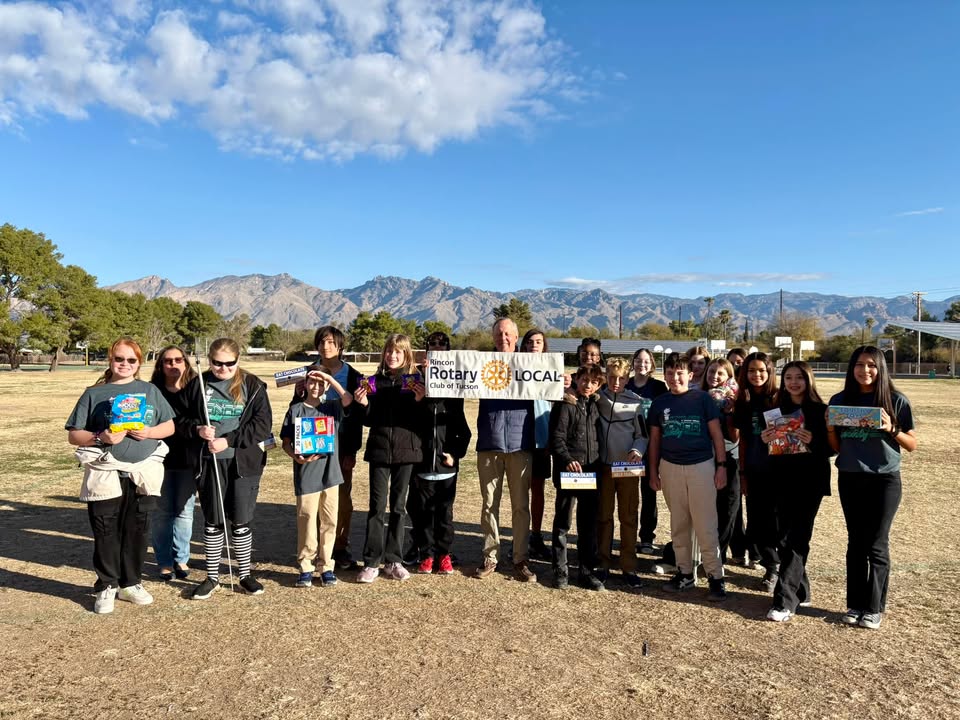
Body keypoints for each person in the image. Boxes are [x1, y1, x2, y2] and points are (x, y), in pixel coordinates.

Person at [66, 337, 175, 614]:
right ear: (110, 360)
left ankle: (131, 583)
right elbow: (73, 434)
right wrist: (99, 436)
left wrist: (149, 432)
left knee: (138, 530)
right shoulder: (94, 393)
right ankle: (106, 586)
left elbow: (169, 426)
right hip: (105, 469)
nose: (124, 364)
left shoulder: (149, 391)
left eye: (131, 360)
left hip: (143, 471)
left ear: (139, 363)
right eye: (119, 359)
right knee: (105, 530)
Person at [827, 346, 916, 629]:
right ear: (851, 368)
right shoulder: (840, 401)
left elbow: (912, 444)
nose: (864, 371)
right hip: (851, 477)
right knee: (855, 542)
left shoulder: (896, 400)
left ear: (880, 368)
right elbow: (837, 447)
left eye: (871, 365)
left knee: (877, 543)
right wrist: (830, 427)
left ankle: (874, 607)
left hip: (885, 480)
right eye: (859, 365)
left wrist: (892, 428)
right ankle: (855, 604)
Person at [184, 338, 273, 600]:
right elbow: (180, 419)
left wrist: (229, 440)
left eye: (229, 364)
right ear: (209, 360)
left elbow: (262, 424)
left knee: (241, 521)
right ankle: (212, 577)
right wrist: (197, 429)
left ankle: (244, 574)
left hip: (243, 462)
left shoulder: (253, 385)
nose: (222, 368)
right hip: (210, 462)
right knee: (213, 520)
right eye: (217, 363)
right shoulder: (198, 384)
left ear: (238, 361)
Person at [647, 352, 727, 601]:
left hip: (701, 466)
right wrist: (653, 471)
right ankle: (684, 572)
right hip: (670, 467)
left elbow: (716, 435)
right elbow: (655, 440)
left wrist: (721, 465)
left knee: (706, 525)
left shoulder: (702, 399)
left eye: (680, 373)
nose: (675, 378)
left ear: (690, 375)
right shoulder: (660, 403)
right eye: (670, 373)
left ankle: (716, 577)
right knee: (679, 524)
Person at [293, 326, 364, 571]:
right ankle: (310, 553)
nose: (326, 347)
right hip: (313, 448)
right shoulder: (307, 373)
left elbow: (356, 414)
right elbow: (297, 410)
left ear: (340, 347)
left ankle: (339, 549)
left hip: (341, 448)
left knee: (340, 501)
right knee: (310, 505)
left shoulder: (353, 376)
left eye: (332, 342)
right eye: (322, 342)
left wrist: (352, 451)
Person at [353, 334, 423, 584]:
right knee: (376, 506)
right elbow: (369, 420)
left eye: (398, 352)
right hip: (380, 451)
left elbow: (421, 420)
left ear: (407, 355)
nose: (393, 356)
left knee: (398, 507)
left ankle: (394, 560)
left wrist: (418, 401)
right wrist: (362, 404)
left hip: (407, 451)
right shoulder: (372, 382)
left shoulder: (416, 383)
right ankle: (371, 562)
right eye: (389, 351)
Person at [766, 361, 832, 622]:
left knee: (797, 537)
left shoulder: (821, 410)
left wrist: (814, 440)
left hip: (810, 481)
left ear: (809, 380)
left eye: (799, 378)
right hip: (781, 479)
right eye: (788, 377)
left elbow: (833, 448)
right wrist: (765, 439)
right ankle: (801, 589)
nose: (793, 382)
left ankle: (784, 602)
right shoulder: (776, 411)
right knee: (782, 538)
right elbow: (771, 447)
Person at [474, 318, 537, 582]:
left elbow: (551, 385)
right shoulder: (479, 364)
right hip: (489, 444)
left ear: (516, 336)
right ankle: (490, 556)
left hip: (520, 444)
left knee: (521, 506)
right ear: (493, 337)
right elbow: (453, 378)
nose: (504, 338)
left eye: (508, 334)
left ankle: (520, 557)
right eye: (499, 334)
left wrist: (564, 381)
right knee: (489, 504)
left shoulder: (531, 365)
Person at [281, 367, 353, 588]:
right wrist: (297, 457)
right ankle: (305, 566)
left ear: (327, 386)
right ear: (305, 384)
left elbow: (348, 398)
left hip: (331, 475)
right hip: (307, 475)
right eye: (312, 382)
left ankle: (326, 566)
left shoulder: (332, 408)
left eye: (321, 383)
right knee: (307, 520)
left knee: (329, 522)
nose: (316, 386)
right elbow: (285, 442)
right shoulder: (295, 410)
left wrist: (329, 378)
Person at [410, 331, 472, 574]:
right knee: (422, 513)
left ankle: (444, 554)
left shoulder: (455, 387)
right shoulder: (414, 381)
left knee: (444, 514)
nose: (437, 347)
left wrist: (454, 454)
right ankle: (426, 554)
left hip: (446, 464)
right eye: (432, 344)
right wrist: (421, 395)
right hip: (422, 461)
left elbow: (463, 431)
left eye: (442, 344)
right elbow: (410, 422)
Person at [549, 364, 604, 590]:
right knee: (563, 522)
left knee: (588, 524)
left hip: (591, 472)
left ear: (599, 384)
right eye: (584, 380)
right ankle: (560, 570)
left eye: (593, 382)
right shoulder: (566, 404)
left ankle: (586, 571)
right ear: (576, 379)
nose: (587, 385)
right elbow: (556, 438)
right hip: (569, 472)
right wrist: (567, 459)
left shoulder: (598, 405)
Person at [596, 357, 647, 587]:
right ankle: (603, 564)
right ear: (606, 376)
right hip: (603, 467)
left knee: (628, 517)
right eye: (612, 377)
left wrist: (637, 449)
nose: (616, 382)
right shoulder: (597, 398)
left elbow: (642, 435)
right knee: (604, 517)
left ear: (628, 378)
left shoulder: (637, 403)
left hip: (627, 467)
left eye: (622, 378)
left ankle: (628, 567)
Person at [149, 345, 198, 582]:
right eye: (168, 361)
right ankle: (164, 562)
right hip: (159, 459)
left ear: (186, 363)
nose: (173, 364)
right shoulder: (153, 391)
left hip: (189, 459)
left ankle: (182, 559)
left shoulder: (196, 388)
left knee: (184, 511)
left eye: (179, 360)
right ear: (161, 365)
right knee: (161, 512)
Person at [734, 351, 781, 592]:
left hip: (778, 471)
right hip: (753, 470)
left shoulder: (780, 399)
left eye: (761, 370)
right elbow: (741, 440)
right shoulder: (744, 400)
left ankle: (775, 569)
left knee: (775, 523)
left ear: (770, 371)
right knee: (756, 525)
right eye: (751, 370)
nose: (756, 375)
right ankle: (770, 561)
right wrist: (742, 473)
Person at [625, 348, 668, 555]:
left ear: (651, 364)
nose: (642, 364)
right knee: (628, 494)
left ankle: (647, 537)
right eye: (638, 360)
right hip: (629, 449)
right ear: (632, 363)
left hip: (652, 449)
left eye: (646, 361)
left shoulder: (659, 387)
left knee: (649, 494)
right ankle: (628, 535)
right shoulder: (625, 384)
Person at [701, 358, 740, 563]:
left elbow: (735, 437)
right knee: (707, 509)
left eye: (720, 373)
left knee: (726, 509)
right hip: (703, 459)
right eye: (711, 372)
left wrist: (729, 412)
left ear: (729, 377)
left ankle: (720, 555)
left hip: (729, 459)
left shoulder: (735, 399)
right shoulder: (698, 397)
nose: (714, 376)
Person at [521, 328, 552, 560]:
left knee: (537, 489)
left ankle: (536, 534)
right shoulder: (514, 367)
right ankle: (521, 536)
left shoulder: (552, 369)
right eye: (530, 341)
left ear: (544, 346)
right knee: (519, 490)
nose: (534, 345)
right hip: (518, 437)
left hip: (542, 437)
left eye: (538, 342)